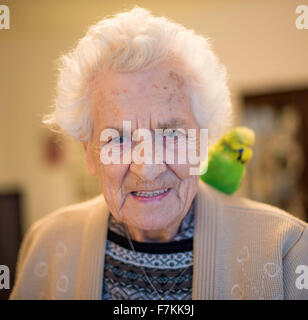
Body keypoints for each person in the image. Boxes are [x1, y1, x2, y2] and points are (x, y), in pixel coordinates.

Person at [10, 7, 308, 300]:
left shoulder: (287, 250)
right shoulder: (47, 246)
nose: (147, 168)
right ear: (89, 153)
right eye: (119, 138)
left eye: (171, 134)